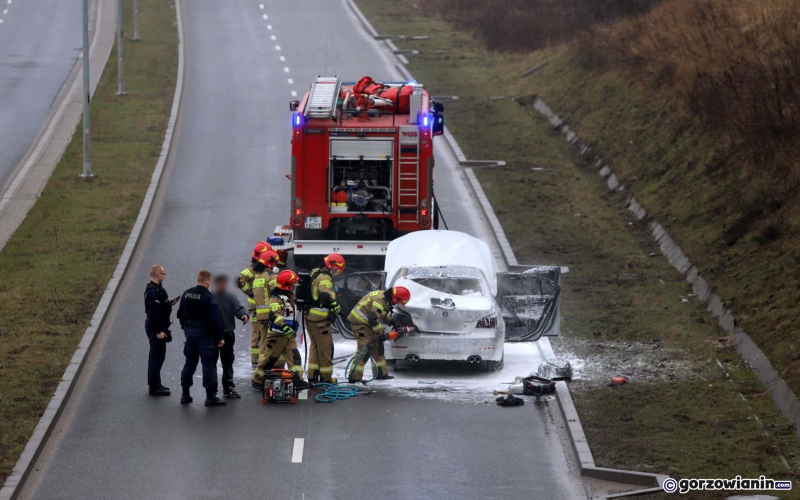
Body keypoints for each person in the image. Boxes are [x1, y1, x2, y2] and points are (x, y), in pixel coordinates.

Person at [178, 270, 226, 407]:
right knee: (208, 364)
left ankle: (185, 394)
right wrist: (220, 337)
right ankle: (210, 396)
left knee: (189, 363)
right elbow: (216, 320)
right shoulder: (209, 297)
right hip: (204, 335)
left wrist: (185, 328)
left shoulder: (187, 294)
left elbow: (180, 313)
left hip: (190, 334)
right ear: (206, 281)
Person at [251, 270, 306, 389]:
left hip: (289, 335)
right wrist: (284, 326)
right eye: (292, 285)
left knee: (294, 357)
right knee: (269, 360)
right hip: (277, 335)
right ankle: (257, 380)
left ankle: (298, 379)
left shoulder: (289, 296)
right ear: (286, 285)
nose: (294, 287)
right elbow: (273, 314)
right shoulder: (275, 299)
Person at [346, 286, 411, 383]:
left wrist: (393, 322)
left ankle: (380, 374)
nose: (397, 304)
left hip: (368, 323)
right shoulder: (380, 300)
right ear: (395, 298)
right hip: (360, 323)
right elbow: (373, 318)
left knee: (378, 346)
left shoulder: (386, 298)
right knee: (365, 348)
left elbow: (381, 315)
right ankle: (354, 377)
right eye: (398, 302)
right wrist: (381, 334)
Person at [304, 253, 346, 383]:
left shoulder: (315, 273)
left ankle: (312, 376)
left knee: (315, 347)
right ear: (331, 266)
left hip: (310, 316)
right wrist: (335, 307)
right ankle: (326, 378)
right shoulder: (325, 277)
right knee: (326, 348)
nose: (336, 272)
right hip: (320, 319)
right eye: (336, 269)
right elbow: (324, 295)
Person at [213, 274, 249, 398]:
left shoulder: (230, 297)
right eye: (221, 284)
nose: (223, 286)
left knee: (227, 361)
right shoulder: (210, 298)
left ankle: (228, 388)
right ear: (216, 285)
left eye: (225, 284)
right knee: (211, 363)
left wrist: (244, 315)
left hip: (227, 335)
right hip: (213, 336)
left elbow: (238, 309)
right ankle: (212, 391)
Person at [238, 241, 274, 367]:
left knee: (261, 333)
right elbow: (240, 279)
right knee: (258, 333)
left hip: (259, 306)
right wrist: (252, 293)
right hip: (256, 306)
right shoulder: (252, 269)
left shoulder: (259, 268)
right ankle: (256, 359)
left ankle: (258, 359)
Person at [143, 264, 176, 396]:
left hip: (158, 326)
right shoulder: (153, 292)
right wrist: (159, 331)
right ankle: (154, 387)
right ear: (157, 275)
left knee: (158, 357)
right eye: (163, 273)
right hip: (156, 328)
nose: (164, 276)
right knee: (156, 357)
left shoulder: (156, 290)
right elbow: (153, 314)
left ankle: (156, 383)